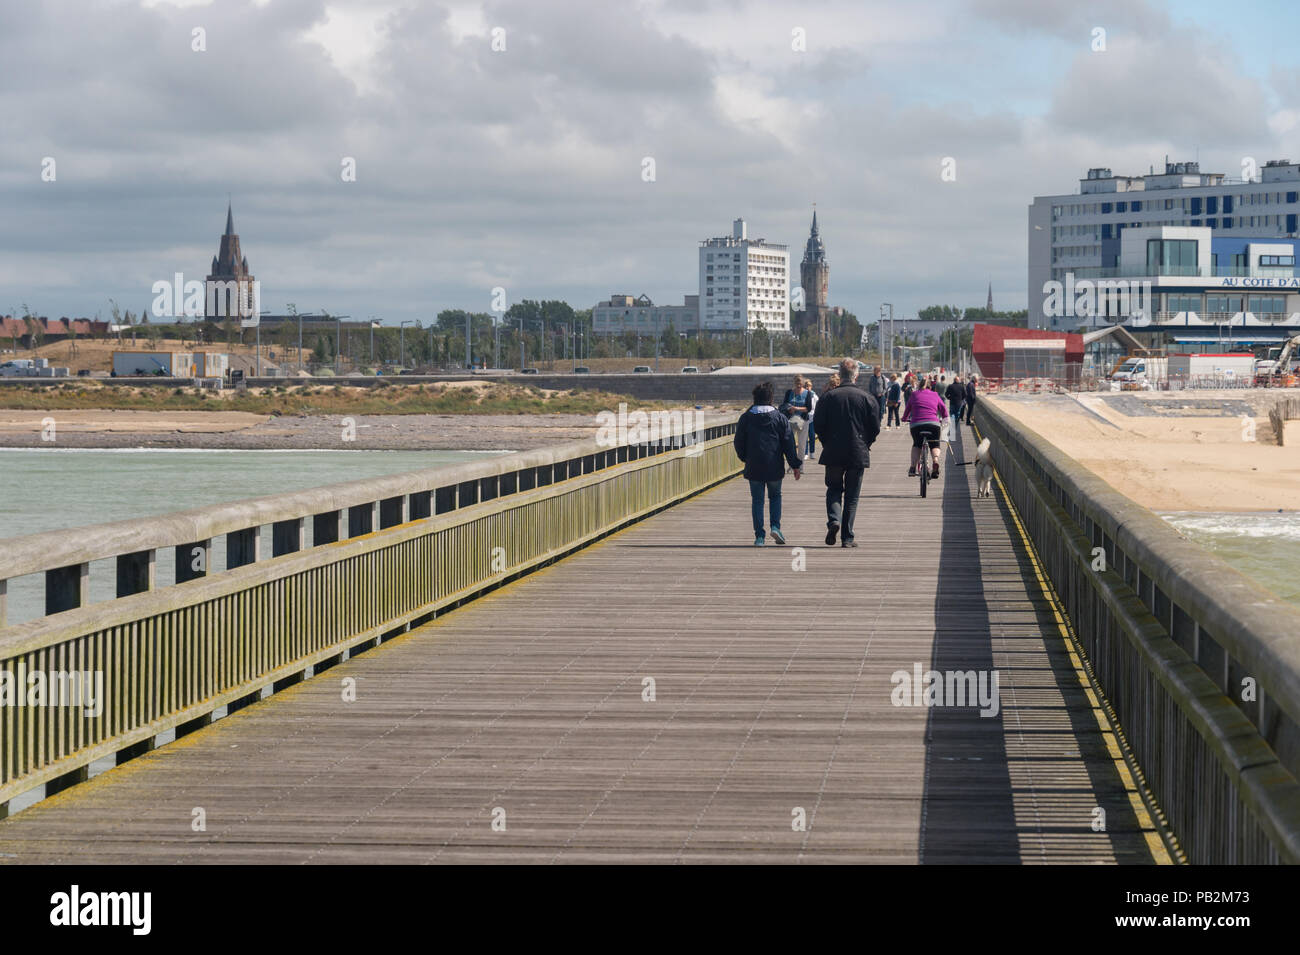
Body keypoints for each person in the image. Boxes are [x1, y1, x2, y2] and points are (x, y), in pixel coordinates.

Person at [812, 358, 880, 548]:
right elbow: (875, 426)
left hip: (833, 451)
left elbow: (818, 425)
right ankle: (847, 538)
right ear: (856, 375)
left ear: (840, 375)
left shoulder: (828, 397)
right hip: (857, 452)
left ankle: (834, 520)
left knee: (833, 489)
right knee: (852, 496)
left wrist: (827, 442)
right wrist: (866, 442)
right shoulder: (866, 398)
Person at [734, 381, 802, 547]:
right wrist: (795, 465)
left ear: (755, 398)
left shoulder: (746, 418)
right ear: (771, 398)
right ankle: (775, 527)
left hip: (754, 465)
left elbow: (738, 442)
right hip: (774, 465)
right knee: (775, 496)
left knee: (757, 500)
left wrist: (745, 458)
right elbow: (788, 443)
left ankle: (759, 536)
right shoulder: (779, 418)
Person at [903, 377, 949, 480]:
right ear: (930, 386)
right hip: (933, 424)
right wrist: (945, 419)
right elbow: (944, 411)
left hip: (916, 425)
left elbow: (907, 410)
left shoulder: (914, 394)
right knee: (935, 445)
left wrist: (904, 418)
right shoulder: (935, 395)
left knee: (917, 444)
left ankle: (912, 467)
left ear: (919, 385)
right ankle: (936, 462)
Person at [780, 375, 811, 463]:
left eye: (800, 384)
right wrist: (788, 408)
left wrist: (796, 408)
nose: (798, 386)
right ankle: (792, 463)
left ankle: (800, 466)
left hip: (803, 421)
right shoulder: (789, 392)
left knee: (802, 444)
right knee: (790, 444)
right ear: (794, 383)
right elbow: (784, 405)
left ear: (803, 384)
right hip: (791, 421)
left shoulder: (807, 393)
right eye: (797, 384)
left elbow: (808, 408)